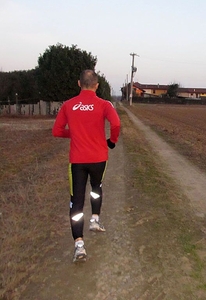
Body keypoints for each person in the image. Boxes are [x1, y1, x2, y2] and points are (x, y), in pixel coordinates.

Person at [52, 70, 121, 262]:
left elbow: (57, 131)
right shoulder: (104, 104)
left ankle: (79, 245)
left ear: (78, 83)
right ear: (97, 85)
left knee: (77, 200)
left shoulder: (68, 105)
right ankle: (95, 221)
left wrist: (74, 134)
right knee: (96, 188)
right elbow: (116, 124)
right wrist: (112, 141)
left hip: (78, 161)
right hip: (99, 158)